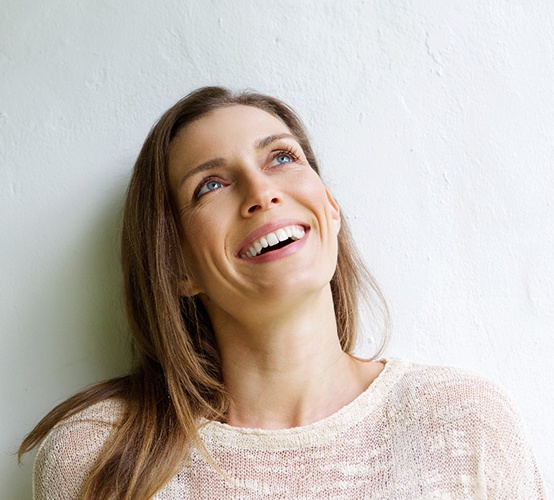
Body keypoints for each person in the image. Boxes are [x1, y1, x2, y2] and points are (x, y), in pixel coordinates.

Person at [20, 87, 545, 499]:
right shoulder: (101, 456)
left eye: (281, 158)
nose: (262, 192)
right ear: (176, 265)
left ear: (330, 209)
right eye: (210, 185)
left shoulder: (465, 422)